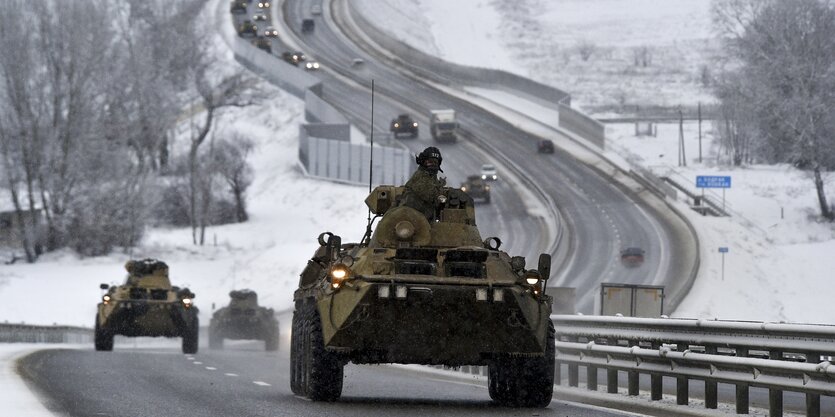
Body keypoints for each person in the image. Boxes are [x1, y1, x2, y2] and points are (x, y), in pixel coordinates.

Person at [399, 146, 446, 221]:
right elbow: (431, 196)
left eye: (435, 162)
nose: (433, 165)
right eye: (430, 162)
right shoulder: (421, 176)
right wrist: (441, 190)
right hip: (410, 219)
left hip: (421, 219)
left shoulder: (431, 177)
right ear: (423, 162)